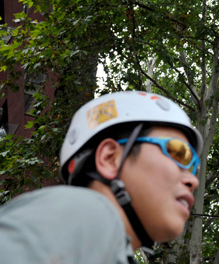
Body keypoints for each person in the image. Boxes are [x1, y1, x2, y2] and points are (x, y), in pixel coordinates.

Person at [0, 90, 203, 264]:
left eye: (195, 168)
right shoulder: (87, 211)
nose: (193, 180)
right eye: (179, 153)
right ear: (110, 158)